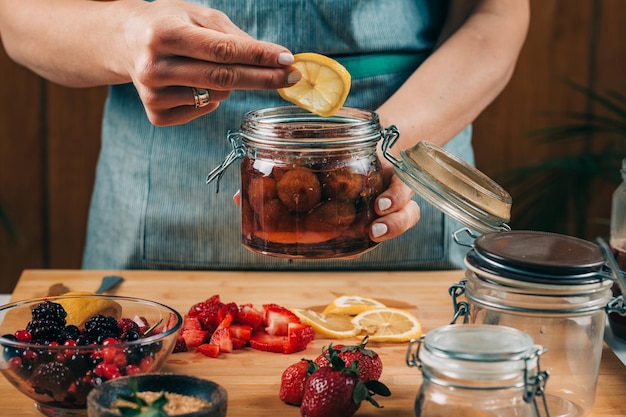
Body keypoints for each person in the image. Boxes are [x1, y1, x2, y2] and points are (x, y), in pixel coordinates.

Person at [0, 0, 530, 271]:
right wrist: (124, 36)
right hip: (159, 203)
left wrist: (377, 145)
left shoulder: (379, 152)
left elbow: (495, 14)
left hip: (403, 156)